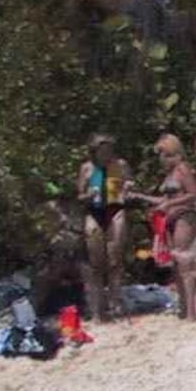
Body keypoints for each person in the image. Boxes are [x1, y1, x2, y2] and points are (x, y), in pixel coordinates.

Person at [138, 132, 196, 322]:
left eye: (163, 154)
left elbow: (194, 193)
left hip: (184, 217)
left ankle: (191, 313)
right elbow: (166, 198)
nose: (161, 159)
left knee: (185, 262)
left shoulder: (182, 169)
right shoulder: (171, 173)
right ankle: (184, 309)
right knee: (176, 264)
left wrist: (170, 204)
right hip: (171, 218)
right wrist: (141, 197)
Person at [74, 136, 131, 321]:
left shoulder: (120, 165)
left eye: (108, 150)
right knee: (96, 263)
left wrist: (127, 187)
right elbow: (79, 196)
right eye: (102, 150)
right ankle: (97, 308)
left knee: (115, 260)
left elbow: (130, 187)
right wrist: (88, 195)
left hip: (115, 210)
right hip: (94, 212)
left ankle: (116, 304)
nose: (106, 154)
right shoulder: (87, 168)